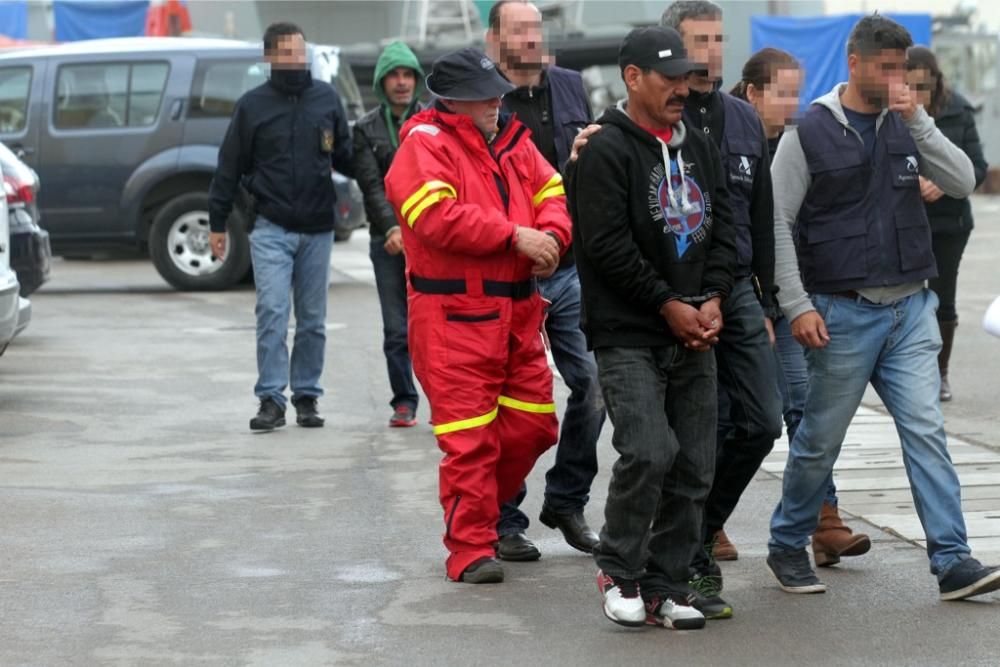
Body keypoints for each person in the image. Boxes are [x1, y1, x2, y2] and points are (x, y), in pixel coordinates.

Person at [768, 14, 1000, 600]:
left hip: (911, 310)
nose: (898, 79)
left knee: (926, 431)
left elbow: (963, 177)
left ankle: (953, 560)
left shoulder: (909, 123)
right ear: (855, 63)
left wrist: (917, 120)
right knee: (821, 438)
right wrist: (795, 304)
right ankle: (786, 542)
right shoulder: (810, 130)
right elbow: (776, 220)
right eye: (886, 68)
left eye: (904, 69)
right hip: (840, 312)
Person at [384, 47, 573, 584]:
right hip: (452, 317)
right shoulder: (423, 145)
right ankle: (468, 549)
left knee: (534, 427)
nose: (496, 101)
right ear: (451, 100)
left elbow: (551, 190)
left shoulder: (512, 141)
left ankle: (479, 520)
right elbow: (435, 216)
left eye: (496, 91)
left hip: (515, 312)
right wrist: (516, 236)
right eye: (483, 94)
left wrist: (553, 237)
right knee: (469, 439)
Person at [571, 25, 736, 629]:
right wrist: (668, 303)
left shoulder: (698, 144)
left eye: (687, 77)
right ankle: (619, 569)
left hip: (695, 327)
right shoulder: (605, 150)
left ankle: (667, 585)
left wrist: (714, 295)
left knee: (695, 462)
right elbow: (606, 247)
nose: (681, 89)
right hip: (628, 331)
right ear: (632, 77)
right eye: (668, 77)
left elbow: (722, 226)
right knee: (648, 450)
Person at [661, 0, 783, 620]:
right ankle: (685, 560)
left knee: (764, 419)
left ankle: (702, 530)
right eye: (697, 39)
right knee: (694, 430)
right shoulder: (660, 116)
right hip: (673, 290)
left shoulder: (742, 118)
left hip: (735, 289)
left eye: (717, 38)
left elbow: (759, 217)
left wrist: (764, 297)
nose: (711, 50)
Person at [731, 48, 872, 570]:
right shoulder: (727, 140)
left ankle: (824, 520)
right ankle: (708, 521)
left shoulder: (803, 141)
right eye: (782, 93)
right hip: (738, 300)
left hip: (793, 297)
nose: (794, 104)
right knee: (731, 418)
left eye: (798, 91)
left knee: (804, 408)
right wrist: (757, 304)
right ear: (752, 93)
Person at [485, 0, 606, 562]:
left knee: (595, 385)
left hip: (572, 267)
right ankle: (506, 518)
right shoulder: (479, 97)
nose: (531, 39)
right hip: (511, 274)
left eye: (536, 28)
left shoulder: (571, 87)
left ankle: (566, 499)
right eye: (519, 30)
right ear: (496, 40)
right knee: (513, 402)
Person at [208, 22, 353, 431]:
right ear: (269, 57)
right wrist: (217, 221)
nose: (296, 60)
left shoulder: (326, 98)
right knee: (272, 312)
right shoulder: (251, 106)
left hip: (318, 228)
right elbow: (228, 166)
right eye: (286, 53)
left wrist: (385, 170)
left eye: (300, 52)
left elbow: (345, 155)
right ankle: (271, 399)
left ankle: (306, 396)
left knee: (312, 319)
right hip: (270, 227)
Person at [906, 45, 989, 402]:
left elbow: (978, 167)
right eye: (910, 85)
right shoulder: (891, 110)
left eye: (923, 85)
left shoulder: (958, 111)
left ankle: (940, 373)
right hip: (904, 221)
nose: (917, 94)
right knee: (906, 300)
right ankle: (910, 375)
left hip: (949, 222)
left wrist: (943, 184)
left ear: (936, 82)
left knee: (943, 299)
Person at [352, 41, 426, 428]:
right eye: (394, 75)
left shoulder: (433, 120)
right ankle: (403, 400)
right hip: (388, 240)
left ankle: (445, 401)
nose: (402, 82)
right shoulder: (365, 129)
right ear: (383, 82)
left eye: (408, 74)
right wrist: (391, 227)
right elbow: (372, 185)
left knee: (434, 326)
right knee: (397, 327)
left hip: (430, 238)